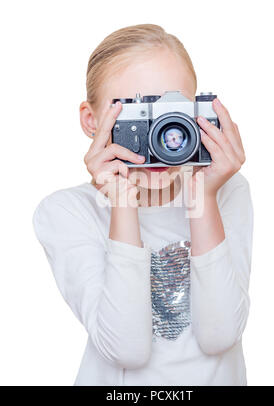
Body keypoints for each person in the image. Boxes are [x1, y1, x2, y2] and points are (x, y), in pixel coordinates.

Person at [32, 23, 253, 386]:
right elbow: (126, 349)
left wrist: (202, 196)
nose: (163, 134)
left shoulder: (227, 190)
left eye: (173, 111)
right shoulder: (66, 212)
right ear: (92, 121)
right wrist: (122, 199)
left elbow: (220, 334)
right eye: (137, 112)